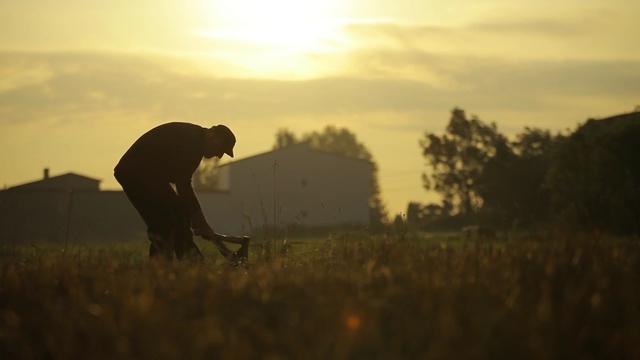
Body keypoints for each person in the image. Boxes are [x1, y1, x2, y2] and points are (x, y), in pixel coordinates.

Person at [114, 122, 236, 261]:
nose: (219, 156)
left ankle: (188, 265)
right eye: (221, 149)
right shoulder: (192, 142)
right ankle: (181, 266)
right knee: (165, 224)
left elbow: (182, 186)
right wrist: (201, 221)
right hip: (136, 174)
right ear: (213, 135)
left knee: (177, 217)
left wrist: (194, 219)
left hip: (150, 177)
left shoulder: (196, 141)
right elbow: (183, 185)